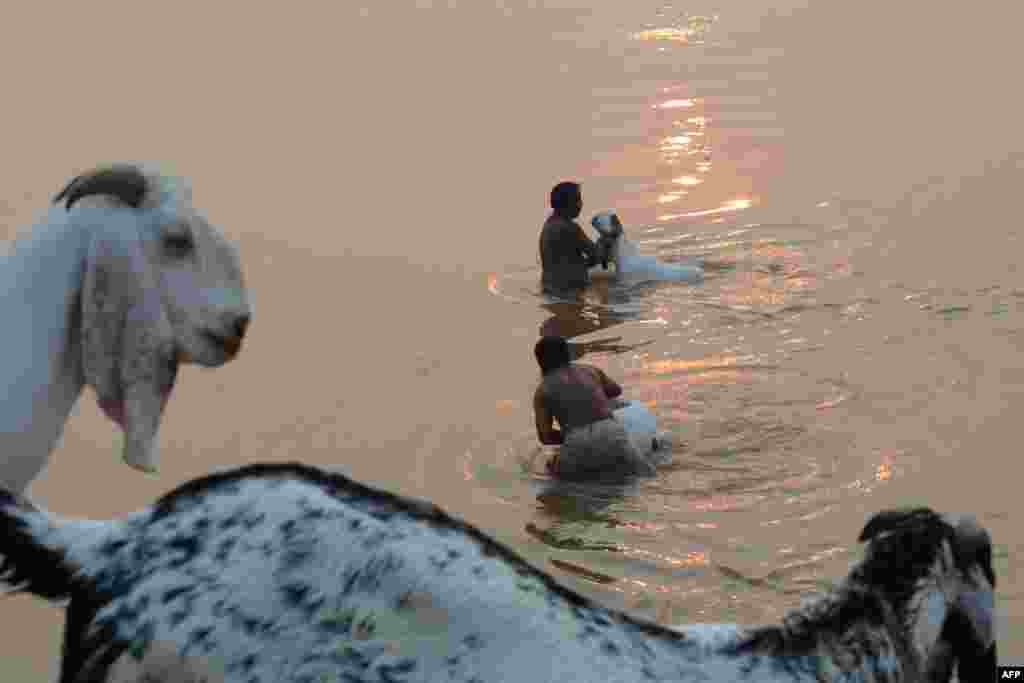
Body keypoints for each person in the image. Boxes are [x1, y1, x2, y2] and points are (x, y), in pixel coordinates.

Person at [532, 336, 656, 480]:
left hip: (576, 440)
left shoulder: (543, 390)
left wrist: (573, 437)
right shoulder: (589, 371)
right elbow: (615, 391)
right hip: (611, 432)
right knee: (646, 474)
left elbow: (545, 437)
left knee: (551, 473)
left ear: (540, 362)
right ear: (568, 354)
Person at [539, 181, 605, 293]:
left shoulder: (548, 225)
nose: (581, 204)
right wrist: (605, 239)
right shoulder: (570, 228)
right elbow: (597, 255)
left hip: (548, 286)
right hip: (570, 288)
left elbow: (566, 262)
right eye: (578, 200)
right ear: (568, 203)